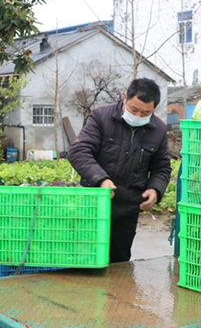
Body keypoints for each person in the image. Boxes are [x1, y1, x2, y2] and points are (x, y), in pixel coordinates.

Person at [68, 78, 171, 263]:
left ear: (154, 108)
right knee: (84, 261)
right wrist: (100, 179)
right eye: (134, 109)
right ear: (125, 98)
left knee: (119, 263)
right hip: (94, 203)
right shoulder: (101, 117)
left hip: (127, 208)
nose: (139, 115)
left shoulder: (159, 130)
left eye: (146, 112)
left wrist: (155, 189)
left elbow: (161, 167)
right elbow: (78, 151)